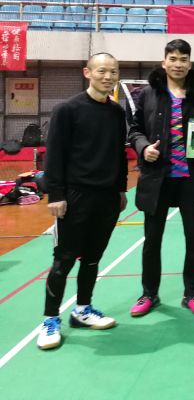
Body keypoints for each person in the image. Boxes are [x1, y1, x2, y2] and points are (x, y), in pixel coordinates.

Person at [37, 53, 128, 350]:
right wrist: (56, 195)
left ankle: (83, 310)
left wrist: (120, 190)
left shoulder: (116, 112)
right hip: (75, 197)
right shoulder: (67, 109)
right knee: (63, 261)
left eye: (113, 72)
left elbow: (119, 153)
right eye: (102, 71)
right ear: (87, 72)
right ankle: (50, 319)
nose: (108, 76)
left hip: (107, 198)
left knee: (92, 259)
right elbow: (54, 154)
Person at [128, 39, 194, 317]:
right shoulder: (147, 95)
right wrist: (144, 148)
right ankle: (149, 293)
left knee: (193, 239)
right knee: (152, 240)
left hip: (191, 179)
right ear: (164, 62)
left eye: (183, 59)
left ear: (190, 63)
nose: (178, 64)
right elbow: (134, 130)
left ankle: (192, 294)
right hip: (158, 179)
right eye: (173, 59)